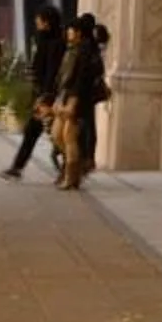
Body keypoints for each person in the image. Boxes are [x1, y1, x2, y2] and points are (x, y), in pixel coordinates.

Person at [2, 6, 67, 182]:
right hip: (41, 94)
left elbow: (52, 71)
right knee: (39, 132)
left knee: (54, 134)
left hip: (48, 96)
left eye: (39, 20)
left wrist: (45, 96)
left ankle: (70, 168)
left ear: (47, 22)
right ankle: (17, 167)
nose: (36, 23)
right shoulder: (45, 41)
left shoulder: (55, 43)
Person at [53, 12, 112, 191]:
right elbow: (63, 77)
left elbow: (80, 80)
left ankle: (71, 176)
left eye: (71, 29)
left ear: (78, 32)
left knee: (68, 136)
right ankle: (72, 168)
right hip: (65, 96)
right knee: (57, 134)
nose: (68, 32)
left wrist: (72, 102)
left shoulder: (84, 50)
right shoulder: (73, 48)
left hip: (76, 99)